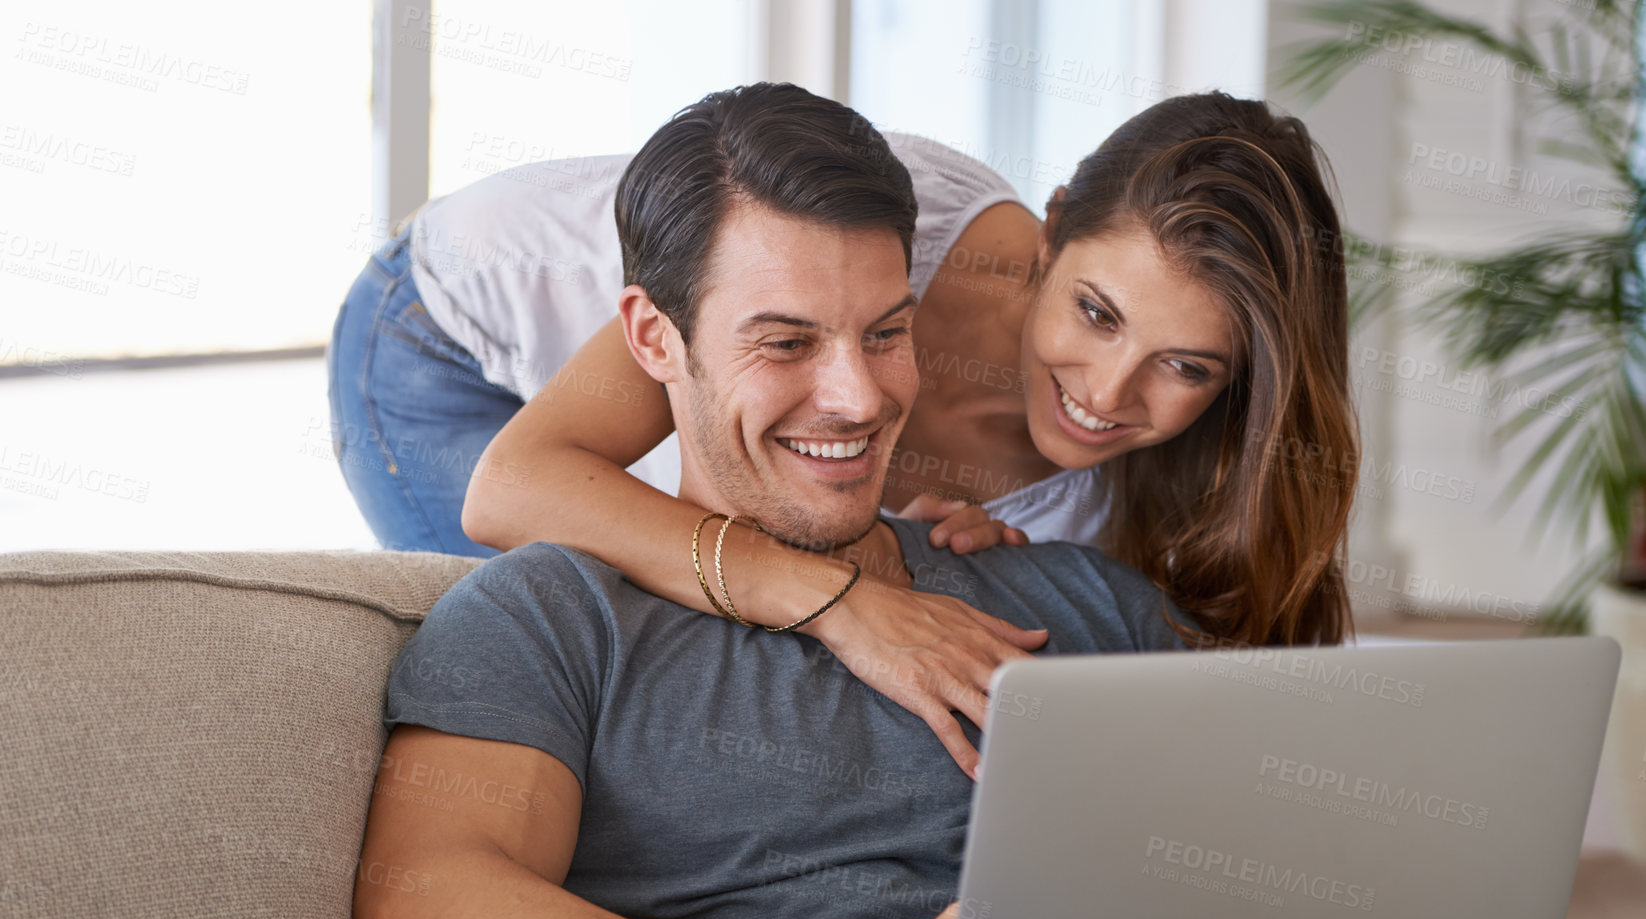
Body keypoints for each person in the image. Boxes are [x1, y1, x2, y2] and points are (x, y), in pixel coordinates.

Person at [352, 86, 1350, 919]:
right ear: (652, 341)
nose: (860, 395)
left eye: (886, 335)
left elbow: (1287, 873)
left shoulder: (1075, 589)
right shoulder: (546, 616)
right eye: (785, 342)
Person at [327, 85, 1358, 775]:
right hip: (444, 338)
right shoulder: (881, 236)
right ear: (1048, 237)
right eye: (1094, 313)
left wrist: (962, 567)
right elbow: (520, 485)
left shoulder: (1114, 500)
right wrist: (836, 599)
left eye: (1184, 366)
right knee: (550, 662)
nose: (1104, 392)